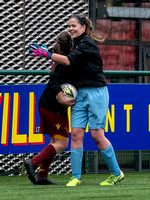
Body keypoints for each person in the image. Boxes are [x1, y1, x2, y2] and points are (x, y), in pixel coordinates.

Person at [29, 14, 124, 186]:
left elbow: (68, 60)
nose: (71, 28)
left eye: (74, 25)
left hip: (96, 93)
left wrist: (47, 54)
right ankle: (76, 177)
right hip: (79, 94)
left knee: (96, 135)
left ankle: (116, 173)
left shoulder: (87, 43)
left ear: (83, 27)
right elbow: (66, 64)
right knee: (76, 135)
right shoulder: (76, 43)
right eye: (69, 26)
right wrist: (53, 61)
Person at [24, 31, 75, 185]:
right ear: (71, 48)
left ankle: (42, 175)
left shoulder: (58, 58)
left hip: (46, 105)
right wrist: (62, 98)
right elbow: (55, 83)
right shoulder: (66, 63)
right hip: (54, 108)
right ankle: (33, 162)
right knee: (62, 144)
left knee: (54, 142)